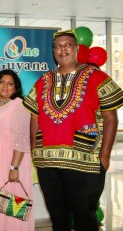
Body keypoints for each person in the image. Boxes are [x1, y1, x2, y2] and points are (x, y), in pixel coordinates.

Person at [23, 30, 123, 231]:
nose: (62, 49)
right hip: (48, 161)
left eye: (68, 44)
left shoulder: (97, 77)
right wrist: (35, 150)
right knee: (58, 217)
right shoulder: (42, 82)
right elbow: (34, 118)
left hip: (85, 160)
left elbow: (110, 117)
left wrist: (104, 155)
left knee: (84, 217)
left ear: (77, 49)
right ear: (53, 52)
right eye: (58, 46)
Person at [0, 69, 34, 230]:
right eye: (2, 82)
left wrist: (14, 168)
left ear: (15, 88)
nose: (5, 86)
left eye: (10, 83)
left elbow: (22, 139)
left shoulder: (19, 105)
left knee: (12, 205)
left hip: (12, 161)